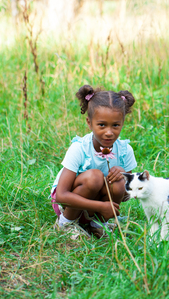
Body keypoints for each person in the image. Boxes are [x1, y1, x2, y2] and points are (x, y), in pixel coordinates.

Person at [50, 85, 137, 239]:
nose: (109, 132)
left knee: (119, 181)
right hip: (70, 204)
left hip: (99, 208)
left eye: (115, 125)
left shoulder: (125, 150)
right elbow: (61, 196)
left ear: (122, 123)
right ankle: (65, 223)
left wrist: (123, 176)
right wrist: (101, 206)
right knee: (94, 177)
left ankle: (98, 224)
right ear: (89, 123)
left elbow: (127, 195)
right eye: (101, 125)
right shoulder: (79, 148)